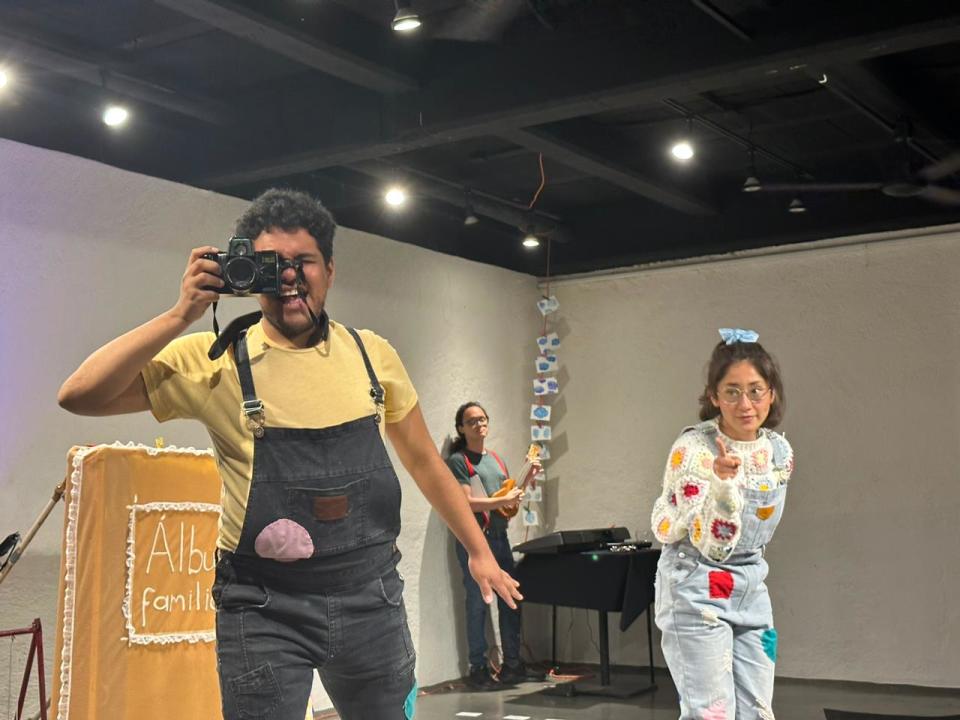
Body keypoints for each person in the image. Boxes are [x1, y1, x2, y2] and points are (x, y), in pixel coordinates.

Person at [57, 189, 522, 720]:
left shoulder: (371, 356)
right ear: (246, 273)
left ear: (329, 270)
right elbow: (80, 395)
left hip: (371, 598)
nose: (289, 279)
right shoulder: (215, 361)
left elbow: (423, 461)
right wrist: (180, 314)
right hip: (262, 607)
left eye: (302, 262)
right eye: (272, 266)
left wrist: (479, 551)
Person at [650, 329, 794, 720]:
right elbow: (713, 545)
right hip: (696, 583)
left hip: (750, 585)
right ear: (713, 396)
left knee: (758, 710)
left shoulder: (778, 451)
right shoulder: (694, 449)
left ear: (772, 393)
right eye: (731, 391)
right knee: (712, 713)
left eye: (755, 390)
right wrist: (723, 487)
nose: (745, 403)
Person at [445, 402, 544, 689]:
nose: (479, 424)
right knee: (477, 603)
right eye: (472, 420)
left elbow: (506, 499)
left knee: (510, 600)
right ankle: (478, 668)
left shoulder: (496, 460)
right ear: (461, 428)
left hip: (500, 539)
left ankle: (513, 664)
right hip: (475, 540)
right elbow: (465, 502)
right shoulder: (459, 461)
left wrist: (528, 477)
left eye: (483, 419)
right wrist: (501, 500)